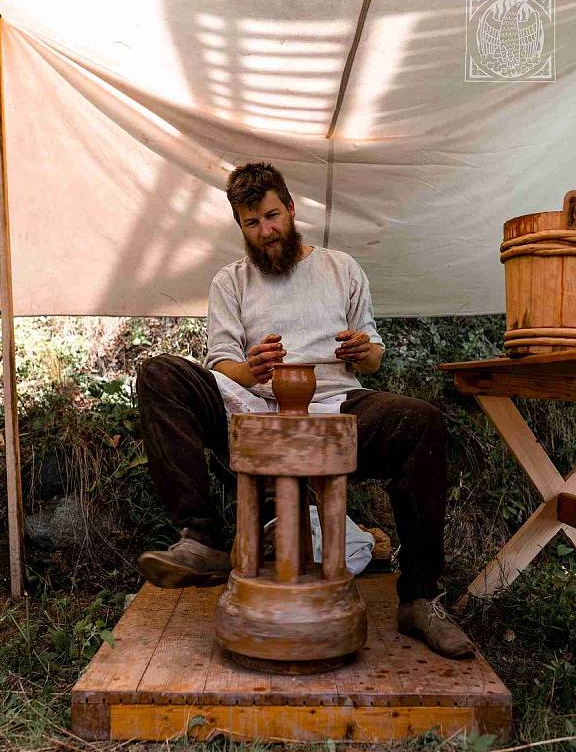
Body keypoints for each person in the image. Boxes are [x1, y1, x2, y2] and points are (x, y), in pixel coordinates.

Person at [136, 162, 474, 659]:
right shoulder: (230, 281)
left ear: (291, 209)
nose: (266, 232)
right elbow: (222, 366)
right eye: (252, 224)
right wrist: (251, 370)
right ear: (240, 226)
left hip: (336, 403)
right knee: (159, 373)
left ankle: (420, 599)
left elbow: (375, 356)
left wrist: (363, 350)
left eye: (272, 217)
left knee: (420, 421)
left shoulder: (341, 268)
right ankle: (203, 539)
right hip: (255, 406)